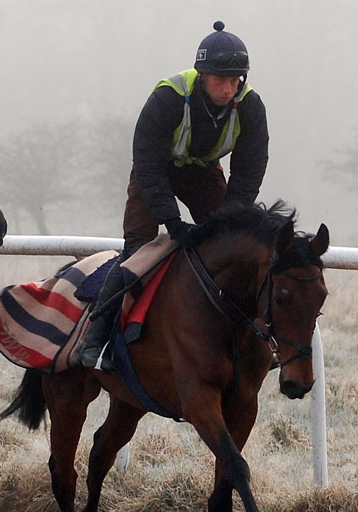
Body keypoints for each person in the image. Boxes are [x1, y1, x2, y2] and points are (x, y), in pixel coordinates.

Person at [78, 20, 270, 371]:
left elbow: (249, 174)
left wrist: (225, 219)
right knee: (138, 252)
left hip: (204, 172)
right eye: (219, 81)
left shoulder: (251, 106)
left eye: (235, 81)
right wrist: (172, 221)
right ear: (202, 75)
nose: (228, 89)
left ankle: (256, 338)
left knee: (236, 243)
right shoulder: (169, 96)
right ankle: (96, 337)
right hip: (156, 170)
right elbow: (147, 162)